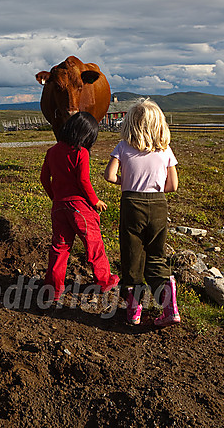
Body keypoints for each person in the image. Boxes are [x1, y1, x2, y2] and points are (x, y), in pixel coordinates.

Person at [103, 98, 180, 326]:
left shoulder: (123, 147)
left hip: (132, 204)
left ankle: (134, 310)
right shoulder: (166, 149)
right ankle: (170, 307)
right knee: (156, 255)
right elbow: (173, 186)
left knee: (132, 256)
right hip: (158, 205)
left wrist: (126, 181)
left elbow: (109, 176)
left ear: (130, 123)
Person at [40, 112, 119, 305]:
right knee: (94, 245)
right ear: (86, 135)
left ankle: (53, 289)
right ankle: (104, 281)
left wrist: (56, 198)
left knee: (59, 248)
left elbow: (44, 178)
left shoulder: (52, 151)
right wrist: (95, 201)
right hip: (79, 208)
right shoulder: (80, 152)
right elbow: (83, 180)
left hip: (59, 207)